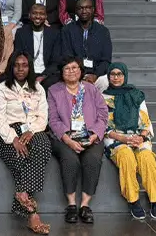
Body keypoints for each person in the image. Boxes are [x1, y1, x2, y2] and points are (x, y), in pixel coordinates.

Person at [0, 52, 52, 234]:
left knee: (43, 147)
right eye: (16, 65)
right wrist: (14, 139)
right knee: (22, 157)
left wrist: (31, 130)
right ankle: (33, 213)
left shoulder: (37, 88)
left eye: (24, 65)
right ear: (11, 67)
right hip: (8, 132)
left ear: (30, 67)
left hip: (33, 129)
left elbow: (43, 115)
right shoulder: (2, 88)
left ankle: (21, 195)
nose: (20, 68)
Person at [47, 57, 108, 225]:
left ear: (81, 70)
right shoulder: (54, 91)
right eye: (67, 68)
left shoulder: (91, 89)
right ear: (61, 72)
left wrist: (95, 134)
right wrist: (67, 140)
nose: (71, 71)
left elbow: (103, 114)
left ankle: (85, 205)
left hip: (90, 136)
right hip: (65, 137)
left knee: (93, 159)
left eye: (74, 67)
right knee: (70, 160)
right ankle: (72, 205)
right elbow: (53, 120)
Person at [102, 62, 156, 221]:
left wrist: (141, 137)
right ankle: (133, 200)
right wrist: (122, 138)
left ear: (125, 75)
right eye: (113, 74)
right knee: (126, 156)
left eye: (119, 74)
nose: (116, 78)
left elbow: (145, 120)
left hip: (138, 136)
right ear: (108, 76)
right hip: (116, 138)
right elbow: (103, 126)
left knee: (146, 158)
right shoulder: (103, 97)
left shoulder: (136, 94)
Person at [59, 0, 112, 92]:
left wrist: (95, 75)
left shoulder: (103, 31)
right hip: (75, 73)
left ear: (93, 10)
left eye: (87, 7)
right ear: (75, 11)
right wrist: (80, 75)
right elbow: (66, 56)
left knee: (106, 82)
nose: (84, 11)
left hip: (97, 75)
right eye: (80, 8)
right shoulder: (67, 30)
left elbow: (106, 60)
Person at [14, 4, 61, 90]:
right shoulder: (21, 33)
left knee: (51, 83)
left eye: (41, 13)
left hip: (47, 73)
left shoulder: (54, 34)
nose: (38, 16)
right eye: (34, 13)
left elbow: (56, 61)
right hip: (26, 71)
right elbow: (18, 56)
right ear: (29, 15)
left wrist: (43, 76)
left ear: (46, 16)